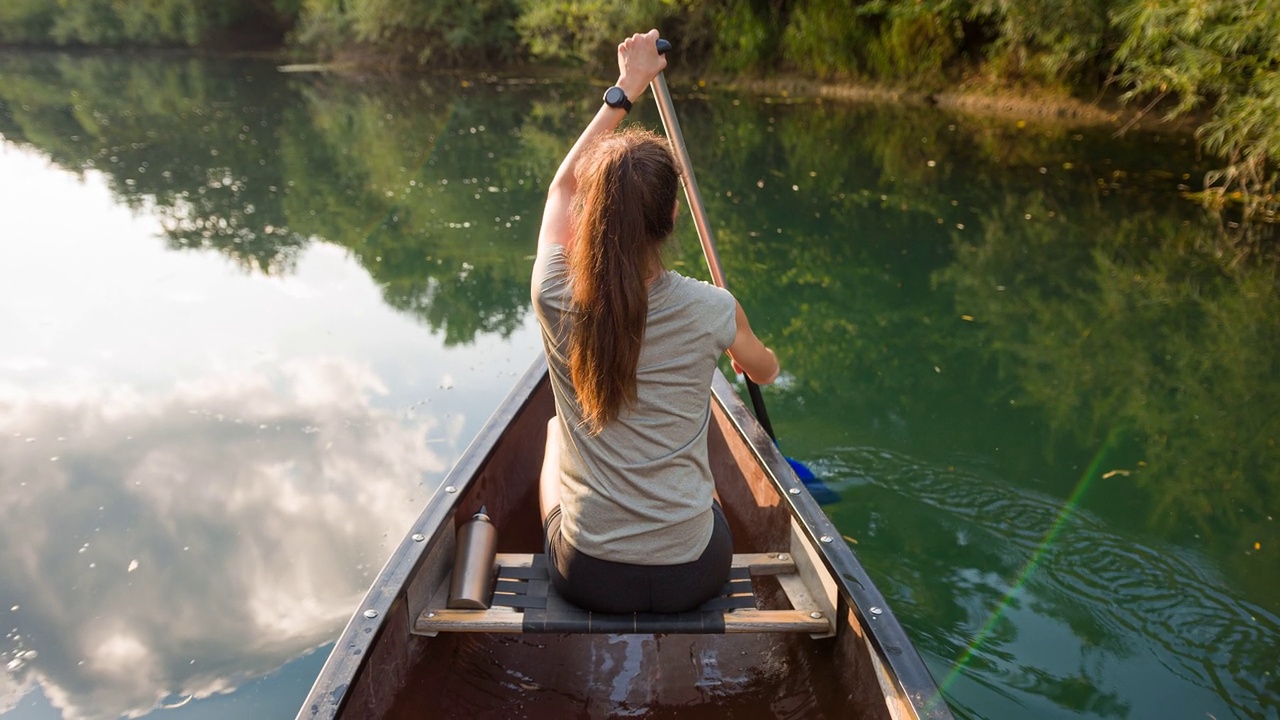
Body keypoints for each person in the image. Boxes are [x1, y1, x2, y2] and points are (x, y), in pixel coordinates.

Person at [531, 29, 779, 614]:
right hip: (693, 573)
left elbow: (561, 187)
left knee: (550, 434)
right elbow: (765, 373)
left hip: (586, 573)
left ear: (593, 212)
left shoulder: (553, 292)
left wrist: (626, 88)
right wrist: (744, 356)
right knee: (705, 480)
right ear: (673, 213)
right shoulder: (715, 308)